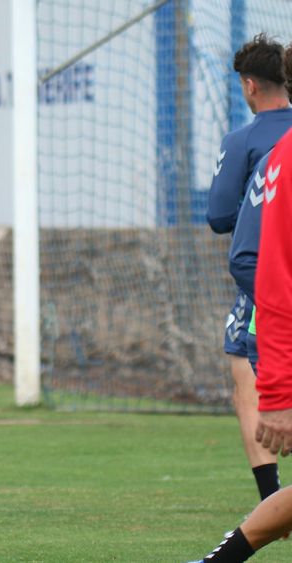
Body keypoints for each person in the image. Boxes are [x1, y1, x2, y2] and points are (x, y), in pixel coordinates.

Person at [191, 44, 292, 563]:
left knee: (243, 369)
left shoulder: (252, 141)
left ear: (250, 85)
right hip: (269, 276)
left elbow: (218, 215)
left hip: (266, 284)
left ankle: (270, 498)